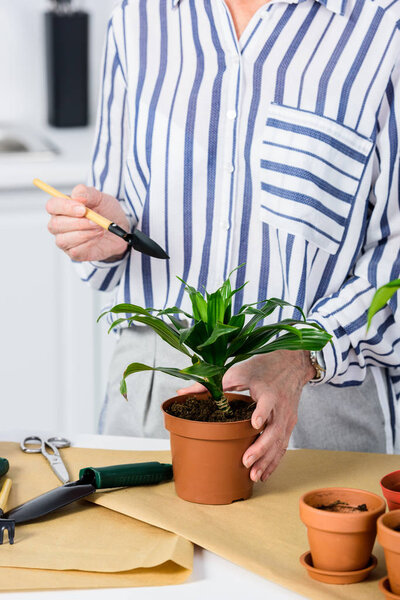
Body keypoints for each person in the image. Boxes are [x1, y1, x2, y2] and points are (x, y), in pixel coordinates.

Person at [46, 0, 400, 483]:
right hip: (156, 397)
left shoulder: (384, 28)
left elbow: (394, 254)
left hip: (321, 400)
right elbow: (112, 222)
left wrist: (301, 358)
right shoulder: (138, 19)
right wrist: (105, 236)